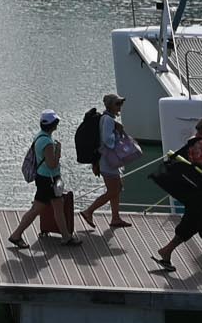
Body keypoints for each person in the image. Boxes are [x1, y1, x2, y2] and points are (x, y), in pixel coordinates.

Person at [150, 119, 202, 273]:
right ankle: (166, 250)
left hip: (198, 191)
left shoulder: (194, 142)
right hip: (200, 192)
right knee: (192, 223)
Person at [9, 111, 80, 248]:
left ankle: (66, 236)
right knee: (36, 209)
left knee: (56, 206)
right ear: (54, 125)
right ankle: (16, 235)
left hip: (45, 178)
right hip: (49, 180)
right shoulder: (47, 142)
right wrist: (58, 150)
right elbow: (52, 164)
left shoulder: (40, 136)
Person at [82, 93, 141, 231]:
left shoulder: (107, 118)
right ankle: (88, 211)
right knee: (113, 190)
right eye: (117, 104)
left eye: (121, 103)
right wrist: (117, 132)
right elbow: (108, 141)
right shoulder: (108, 121)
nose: (120, 106)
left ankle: (115, 218)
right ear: (110, 105)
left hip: (108, 161)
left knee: (117, 188)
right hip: (108, 161)